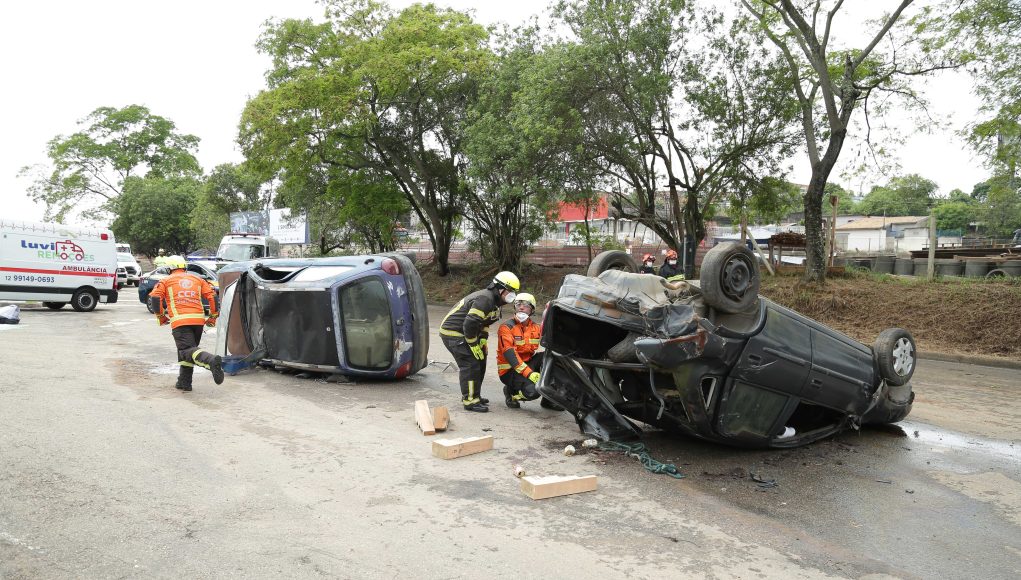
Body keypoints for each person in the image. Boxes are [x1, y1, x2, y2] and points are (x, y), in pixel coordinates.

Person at [439, 271, 520, 412]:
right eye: (510, 291)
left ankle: (475, 395)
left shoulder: (495, 302)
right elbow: (470, 323)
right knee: (470, 364)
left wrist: (482, 340)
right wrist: (472, 342)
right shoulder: (486, 299)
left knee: (481, 360)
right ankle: (470, 401)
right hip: (454, 333)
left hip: (466, 333)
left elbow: (484, 322)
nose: (512, 295)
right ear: (500, 288)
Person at [148, 255, 224, 392]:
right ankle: (184, 382)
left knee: (186, 350)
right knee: (189, 350)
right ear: (184, 267)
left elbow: (155, 297)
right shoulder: (198, 279)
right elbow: (212, 296)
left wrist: (160, 316)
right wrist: (213, 317)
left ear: (169, 269)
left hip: (180, 320)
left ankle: (211, 360)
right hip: (198, 321)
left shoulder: (165, 281)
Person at [497, 293, 543, 408]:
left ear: (532, 309)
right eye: (518, 304)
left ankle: (549, 401)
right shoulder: (506, 327)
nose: (521, 307)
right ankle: (511, 393)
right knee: (533, 391)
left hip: (527, 363)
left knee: (552, 358)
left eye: (526, 305)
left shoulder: (536, 328)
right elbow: (510, 355)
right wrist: (530, 374)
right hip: (510, 371)